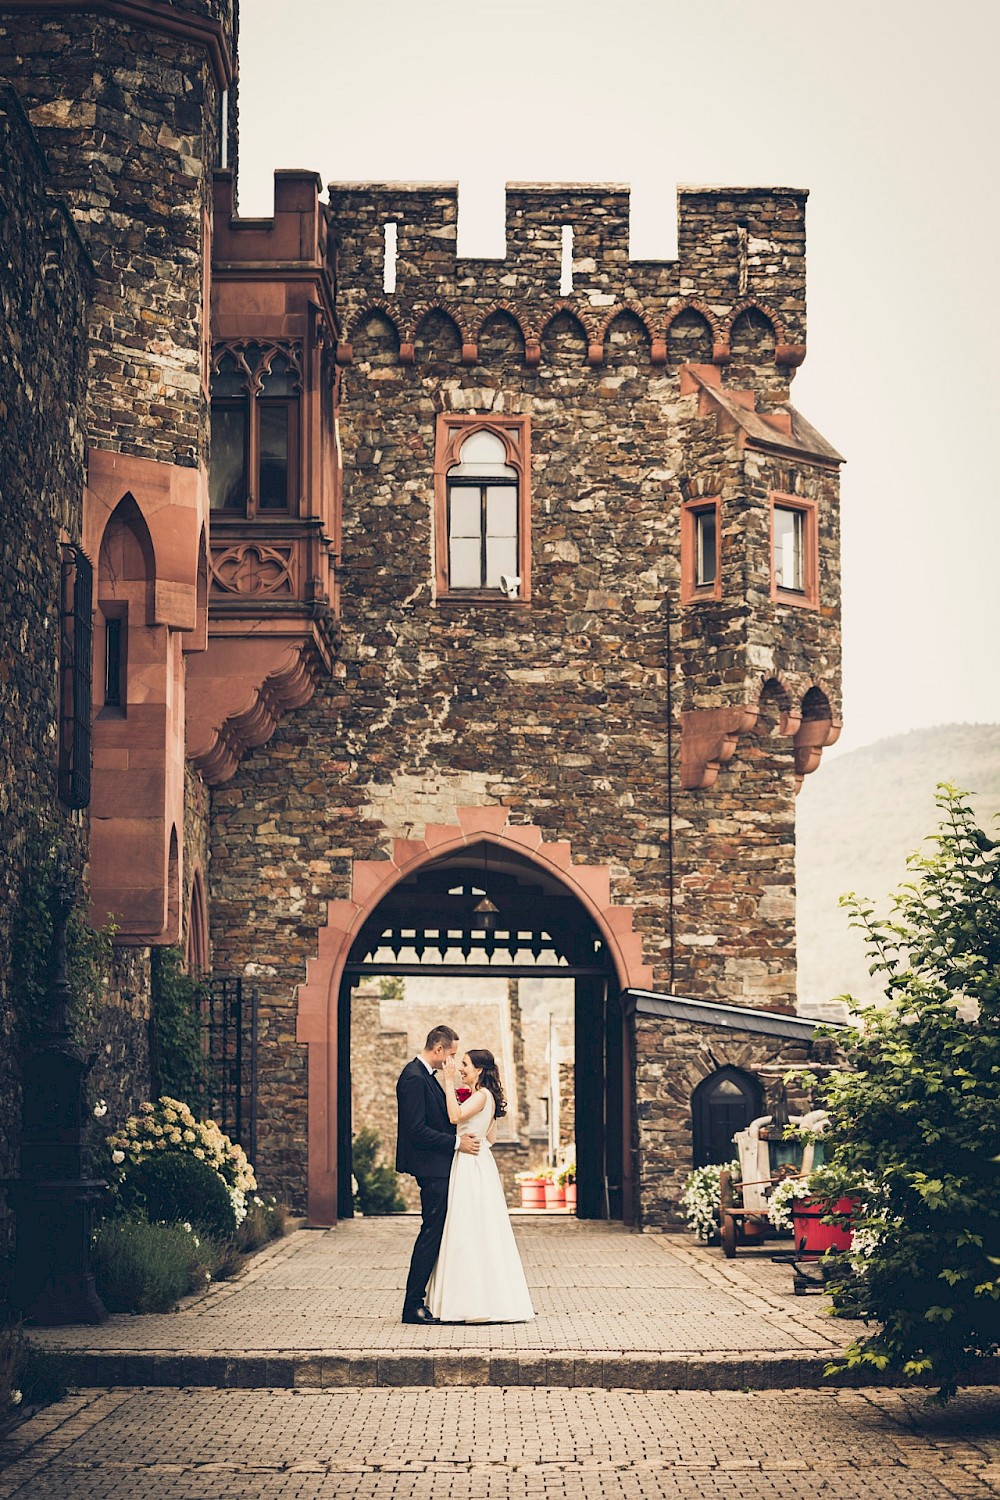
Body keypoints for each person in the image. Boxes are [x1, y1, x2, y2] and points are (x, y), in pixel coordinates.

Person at [426, 1048, 535, 1323]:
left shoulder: (482, 1095)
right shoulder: (489, 1098)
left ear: (479, 1070)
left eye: (465, 1065)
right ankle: (484, 1298)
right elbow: (493, 1138)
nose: (460, 1068)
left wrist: (449, 1082)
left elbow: (454, 1117)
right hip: (480, 1160)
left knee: (466, 1225)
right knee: (480, 1226)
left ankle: (468, 1302)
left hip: (469, 1163)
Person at [395, 1025, 481, 1325]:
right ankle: (412, 1304)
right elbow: (415, 1130)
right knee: (431, 1233)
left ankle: (428, 1299)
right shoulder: (413, 1078)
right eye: (453, 1055)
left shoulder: (426, 1077)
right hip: (431, 1169)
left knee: (438, 1233)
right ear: (439, 1050)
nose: (454, 1062)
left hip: (441, 1167)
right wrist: (457, 1143)